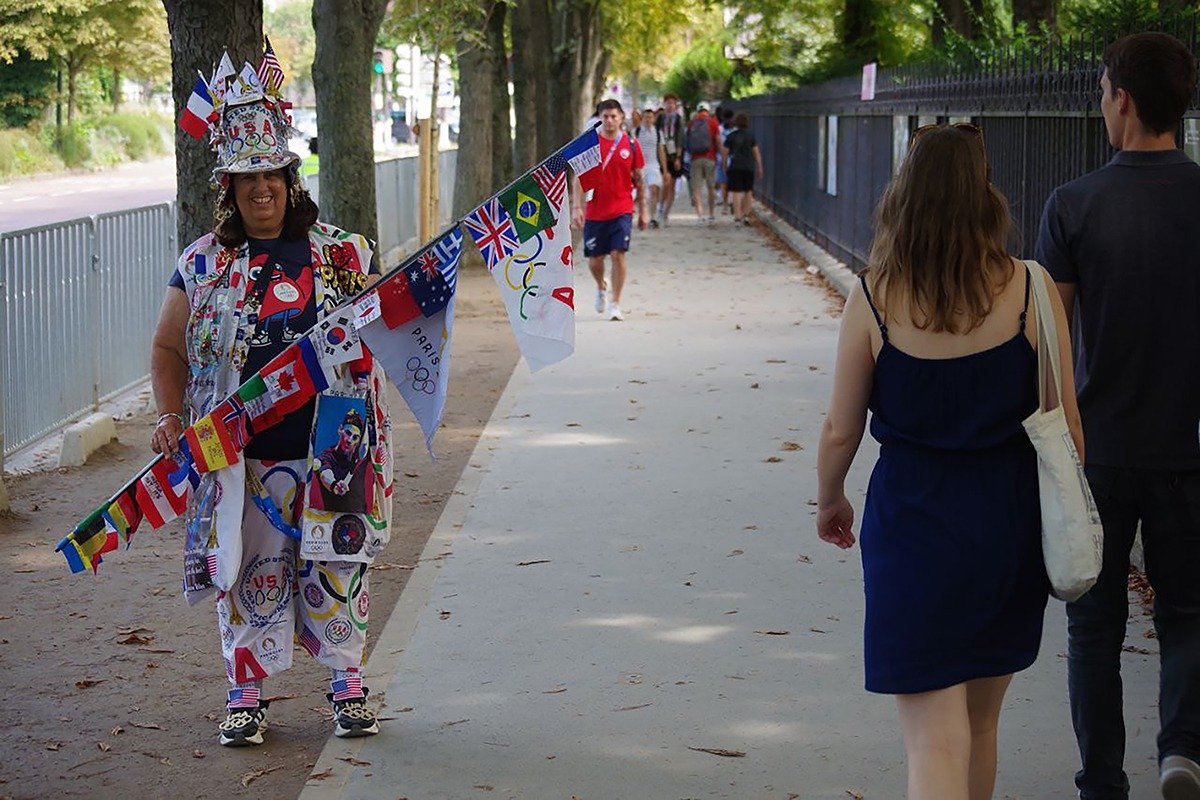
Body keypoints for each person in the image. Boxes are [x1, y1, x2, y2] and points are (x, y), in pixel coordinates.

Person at [817, 124, 1079, 799]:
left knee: (935, 737)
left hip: (912, 530)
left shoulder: (874, 298)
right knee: (980, 726)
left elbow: (841, 430)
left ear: (903, 195)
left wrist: (831, 499)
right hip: (1006, 529)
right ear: (985, 195)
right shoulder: (1032, 291)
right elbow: (1068, 428)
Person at [150, 50, 392, 747]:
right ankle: (246, 696)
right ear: (229, 189)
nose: (261, 190)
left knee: (340, 566)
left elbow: (386, 331)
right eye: (247, 179)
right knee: (244, 575)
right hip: (239, 454)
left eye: (272, 177)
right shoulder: (201, 263)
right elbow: (167, 350)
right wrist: (170, 417)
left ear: (292, 181)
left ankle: (347, 688)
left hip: (332, 449)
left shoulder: (345, 254)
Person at [1035, 32, 1200, 800]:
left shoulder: (1072, 206)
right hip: (1188, 448)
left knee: (1093, 629)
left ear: (1121, 99)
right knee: (1189, 616)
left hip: (1096, 446)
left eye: (1103, 90)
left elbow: (1050, 342)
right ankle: (1182, 752)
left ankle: (1102, 779)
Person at [570, 98, 647, 322]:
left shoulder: (631, 145)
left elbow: (639, 180)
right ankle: (601, 286)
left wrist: (643, 210)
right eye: (605, 117)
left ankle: (616, 302)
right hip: (595, 210)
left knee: (617, 253)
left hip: (622, 208)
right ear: (599, 118)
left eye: (614, 116)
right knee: (595, 260)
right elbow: (578, 180)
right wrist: (577, 207)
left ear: (622, 118)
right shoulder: (591, 146)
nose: (610, 121)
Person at [721, 113, 763, 225]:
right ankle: (746, 215)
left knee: (736, 192)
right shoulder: (751, 136)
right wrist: (759, 167)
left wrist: (724, 165)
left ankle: (737, 216)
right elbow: (756, 153)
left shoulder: (731, 136)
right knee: (748, 191)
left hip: (735, 166)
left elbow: (724, 153)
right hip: (748, 166)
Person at [686, 102, 721, 224]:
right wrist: (721, 156)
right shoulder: (713, 122)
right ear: (708, 110)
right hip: (710, 158)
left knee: (697, 189)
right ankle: (711, 214)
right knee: (711, 187)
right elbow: (717, 141)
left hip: (695, 159)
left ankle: (700, 216)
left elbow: (687, 141)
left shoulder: (691, 123)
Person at [656, 93, 686, 226]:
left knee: (672, 186)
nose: (670, 106)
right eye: (668, 103)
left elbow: (680, 139)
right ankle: (660, 206)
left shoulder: (679, 120)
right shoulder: (660, 119)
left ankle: (666, 213)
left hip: (675, 155)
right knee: (665, 183)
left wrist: (678, 158)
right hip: (663, 155)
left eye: (672, 103)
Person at [632, 107, 665, 229]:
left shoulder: (658, 133)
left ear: (654, 118)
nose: (648, 119)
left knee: (654, 189)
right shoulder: (636, 131)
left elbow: (661, 150)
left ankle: (653, 217)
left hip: (654, 165)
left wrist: (664, 169)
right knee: (640, 194)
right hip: (640, 166)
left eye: (650, 117)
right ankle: (640, 215)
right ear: (642, 118)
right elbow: (632, 150)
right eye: (646, 117)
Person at [715, 107, 735, 213]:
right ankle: (731, 202)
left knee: (724, 183)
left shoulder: (719, 129)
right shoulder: (735, 130)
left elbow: (717, 144)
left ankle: (725, 206)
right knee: (731, 182)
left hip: (721, 158)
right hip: (733, 158)